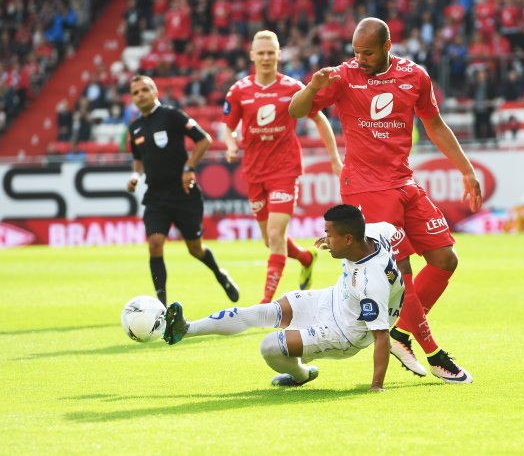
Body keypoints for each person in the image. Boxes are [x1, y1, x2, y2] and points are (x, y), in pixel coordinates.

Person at [289, 17, 480, 381]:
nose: (359, 58)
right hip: (365, 186)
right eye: (356, 51)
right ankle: (435, 353)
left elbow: (434, 123)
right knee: (401, 272)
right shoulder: (343, 77)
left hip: (403, 181)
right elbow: (297, 111)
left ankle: (400, 334)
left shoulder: (414, 76)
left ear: (388, 45)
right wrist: (312, 87)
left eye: (368, 52)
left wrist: (466, 169)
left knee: (444, 259)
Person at [163, 204, 467, 390]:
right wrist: (401, 271)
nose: (325, 238)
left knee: (270, 346)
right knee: (267, 311)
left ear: (349, 239)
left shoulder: (370, 281)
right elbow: (397, 237)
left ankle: (301, 374)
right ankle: (186, 329)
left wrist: (377, 387)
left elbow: (381, 338)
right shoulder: (377, 231)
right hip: (330, 298)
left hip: (342, 332)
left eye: (329, 234)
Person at [223, 30, 343, 303]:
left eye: (270, 52)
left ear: (278, 54)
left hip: (285, 170)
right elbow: (227, 128)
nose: (266, 57)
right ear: (252, 56)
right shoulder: (239, 90)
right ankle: (305, 256)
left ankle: (265, 304)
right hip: (254, 172)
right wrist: (230, 144)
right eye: (260, 53)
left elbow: (320, 120)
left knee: (277, 235)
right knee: (270, 240)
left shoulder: (293, 88)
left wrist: (334, 158)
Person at [127, 75, 239, 306]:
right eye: (136, 92)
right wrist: (136, 176)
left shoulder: (171, 115)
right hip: (156, 196)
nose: (140, 95)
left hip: (183, 193)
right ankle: (162, 305)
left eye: (144, 90)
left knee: (195, 249)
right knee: (155, 244)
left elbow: (204, 140)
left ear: (155, 91)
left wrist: (189, 167)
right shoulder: (135, 127)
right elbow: (139, 160)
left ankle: (220, 275)